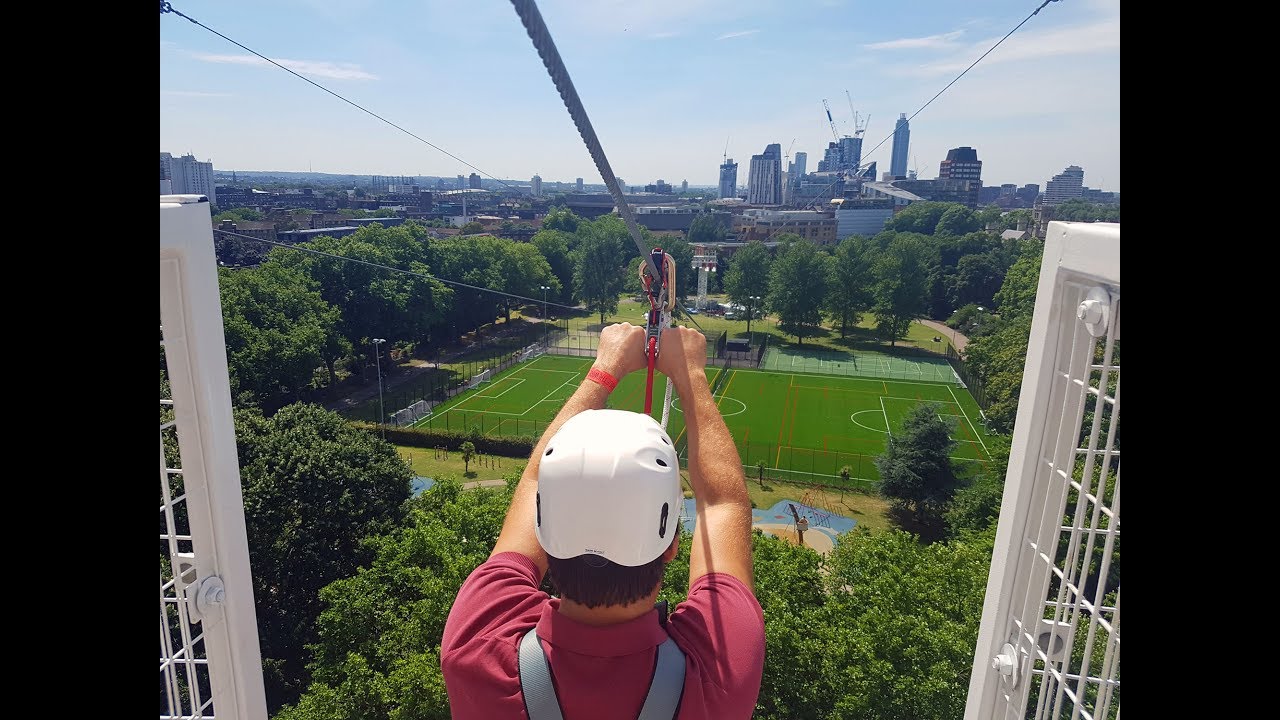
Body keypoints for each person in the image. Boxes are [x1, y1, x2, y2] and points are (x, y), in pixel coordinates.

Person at [441, 322, 765, 719]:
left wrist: (605, 370)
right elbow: (722, 503)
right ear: (671, 546)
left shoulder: (475, 648)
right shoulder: (720, 674)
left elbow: (534, 480)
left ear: (543, 534)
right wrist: (691, 374)